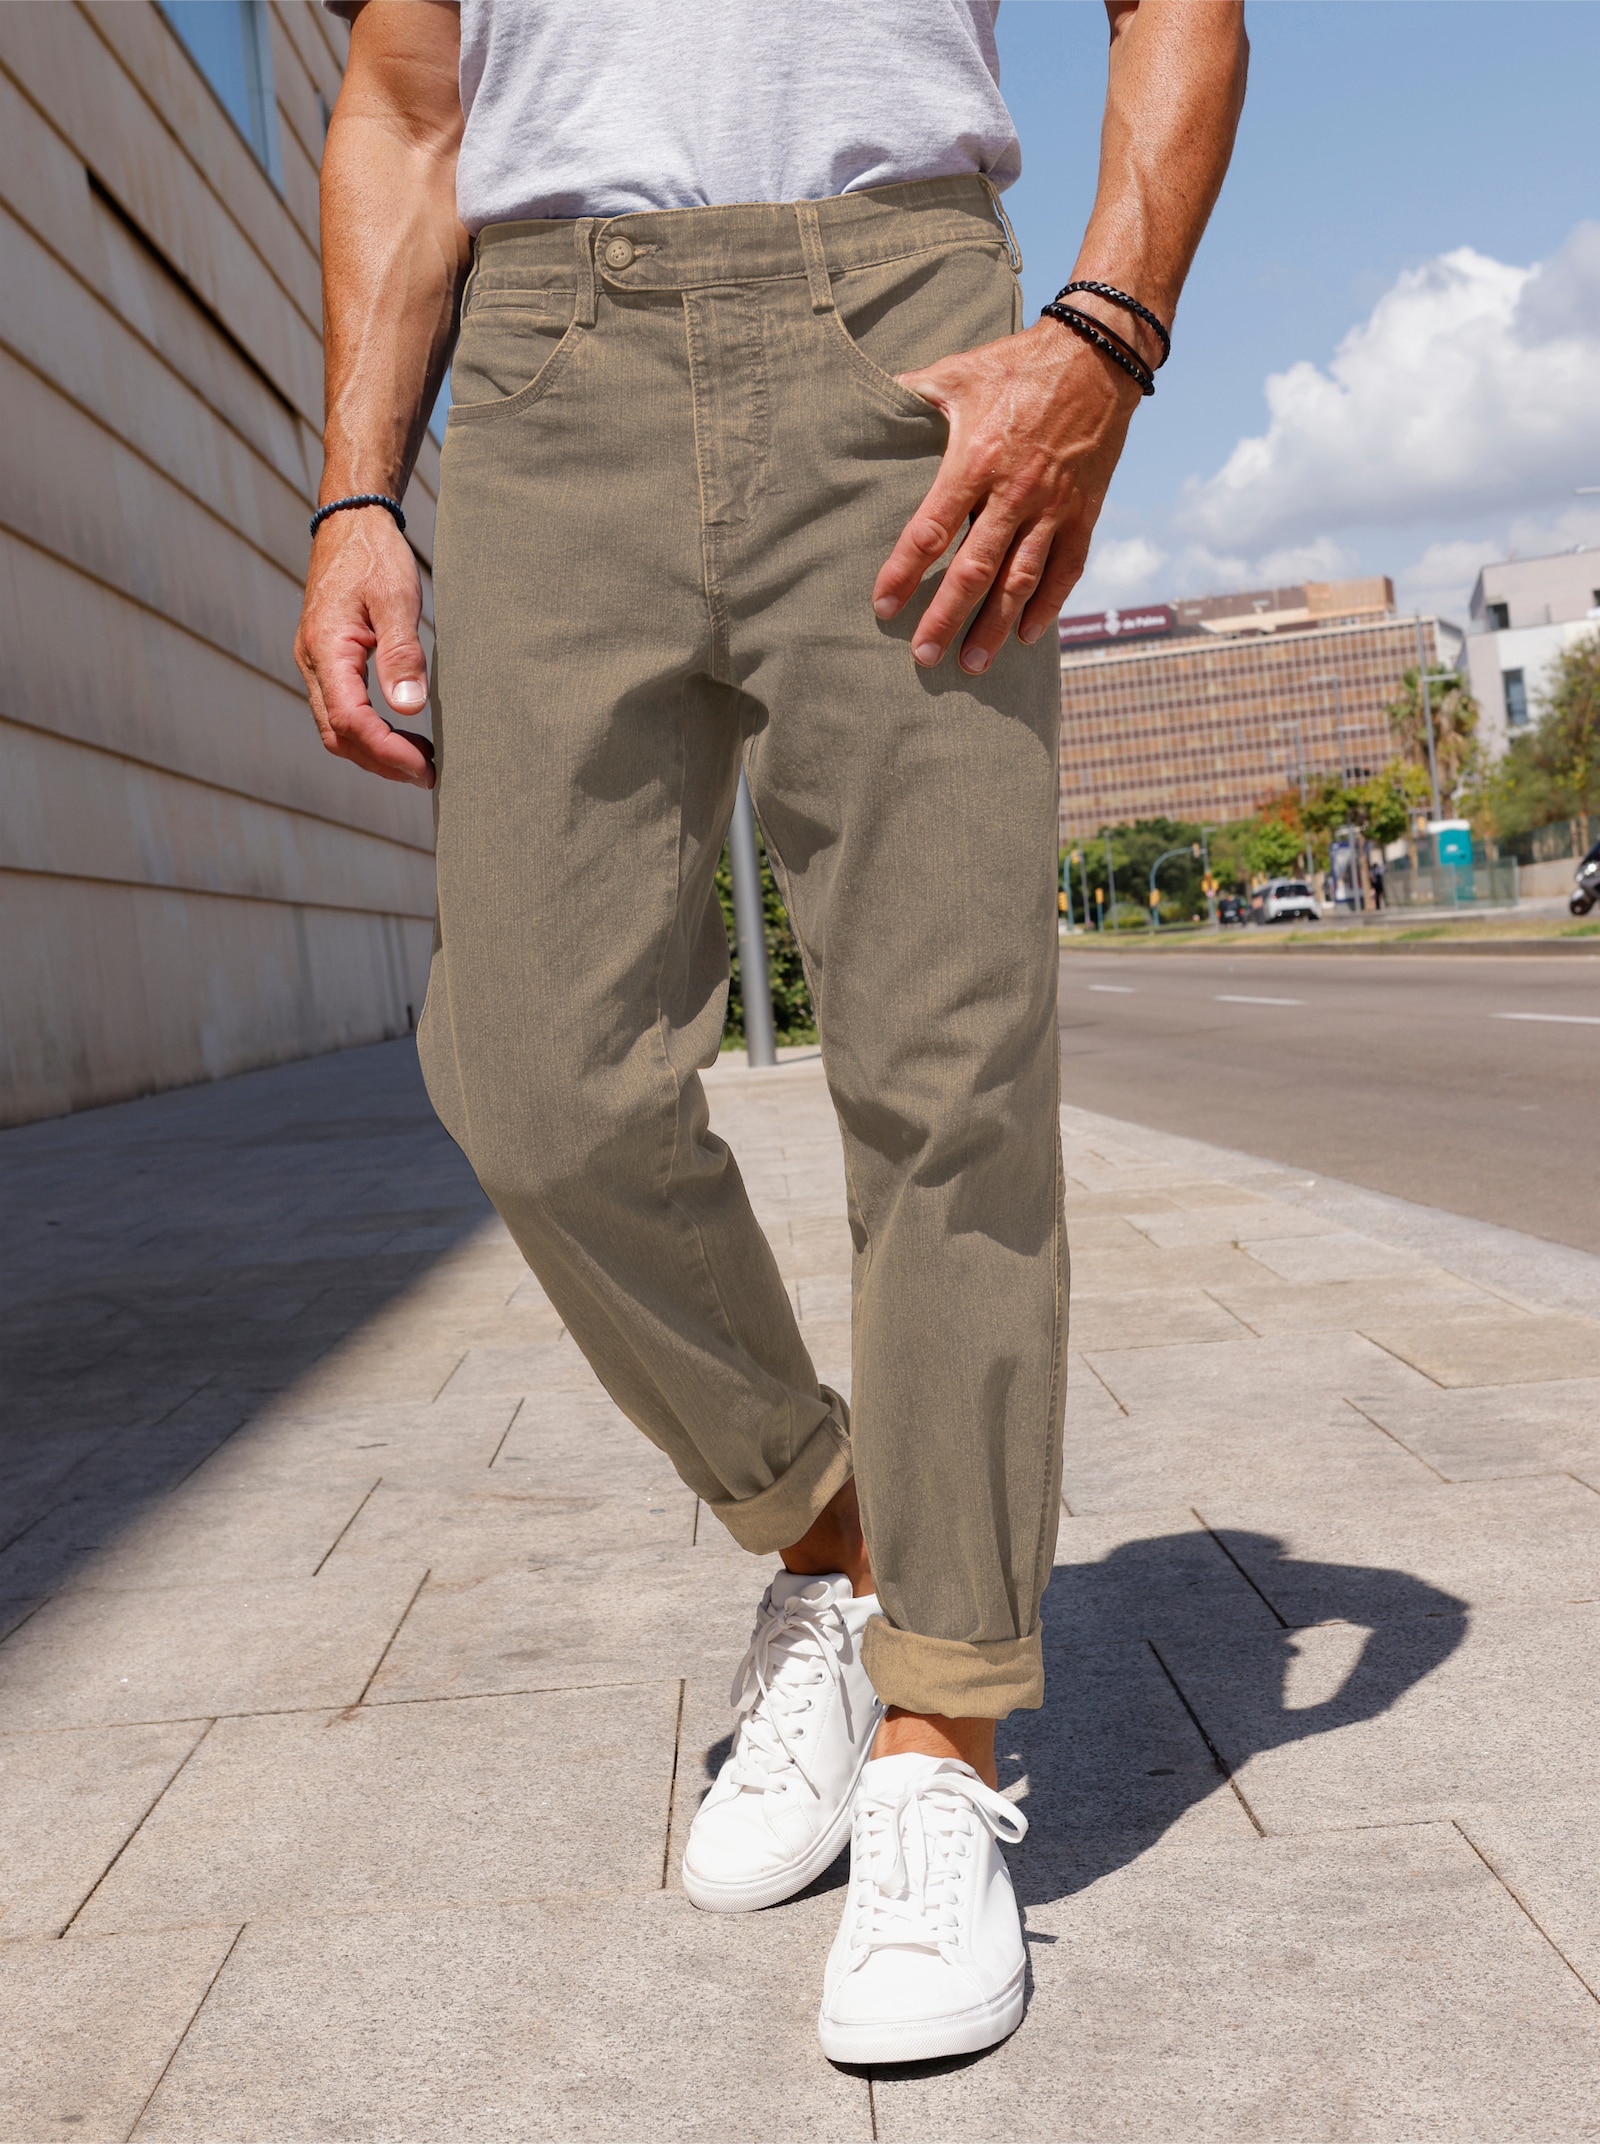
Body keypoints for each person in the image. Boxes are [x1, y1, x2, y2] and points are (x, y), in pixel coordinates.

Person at [297, 0, 1246, 2063]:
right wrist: (358, 490)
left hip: (899, 323)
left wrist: (1104, 333)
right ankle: (837, 1533)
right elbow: (400, 98)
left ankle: (935, 1732)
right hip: (548, 377)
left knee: (944, 1069)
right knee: (529, 1074)